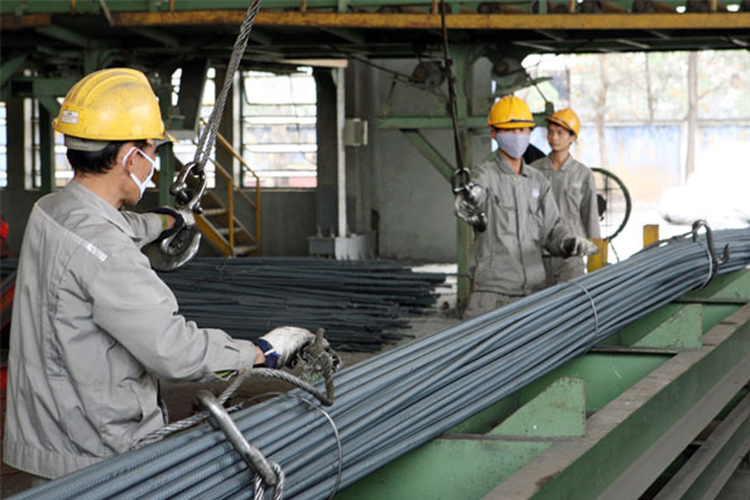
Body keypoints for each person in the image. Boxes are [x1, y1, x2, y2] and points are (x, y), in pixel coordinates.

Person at [3, 68, 320, 480]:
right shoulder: (112, 256)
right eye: (151, 149)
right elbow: (175, 353)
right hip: (98, 456)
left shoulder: (50, 210)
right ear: (130, 157)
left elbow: (115, 227)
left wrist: (168, 221)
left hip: (47, 437)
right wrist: (261, 353)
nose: (153, 164)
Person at [454, 95, 598, 318]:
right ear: (494, 134)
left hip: (533, 293)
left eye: (522, 130)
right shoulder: (485, 175)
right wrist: (469, 200)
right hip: (493, 293)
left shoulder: (538, 180)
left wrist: (567, 242)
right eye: (509, 130)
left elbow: (552, 230)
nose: (517, 136)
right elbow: (473, 198)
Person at [531, 108, 600, 285]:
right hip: (538, 254)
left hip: (571, 256)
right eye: (550, 132)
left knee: (572, 300)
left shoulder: (583, 174)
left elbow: (590, 217)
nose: (554, 137)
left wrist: (596, 256)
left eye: (560, 133)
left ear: (572, 137)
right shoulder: (534, 171)